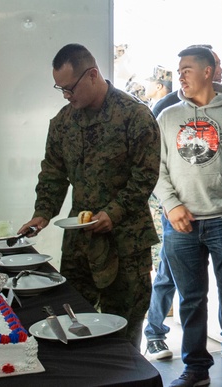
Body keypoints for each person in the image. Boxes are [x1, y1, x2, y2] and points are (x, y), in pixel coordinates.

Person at [18, 43, 160, 347]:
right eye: (61, 89)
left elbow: (145, 176)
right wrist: (42, 213)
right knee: (73, 318)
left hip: (125, 241)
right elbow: (53, 173)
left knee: (124, 325)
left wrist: (114, 213)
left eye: (70, 88)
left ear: (93, 74)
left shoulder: (134, 116)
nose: (67, 96)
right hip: (80, 242)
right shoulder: (63, 123)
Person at [154, 46, 222, 387]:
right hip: (182, 224)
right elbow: (155, 170)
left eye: (187, 68)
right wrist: (171, 206)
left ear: (208, 71)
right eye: (179, 69)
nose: (180, 75)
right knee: (190, 301)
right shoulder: (167, 116)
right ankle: (196, 369)